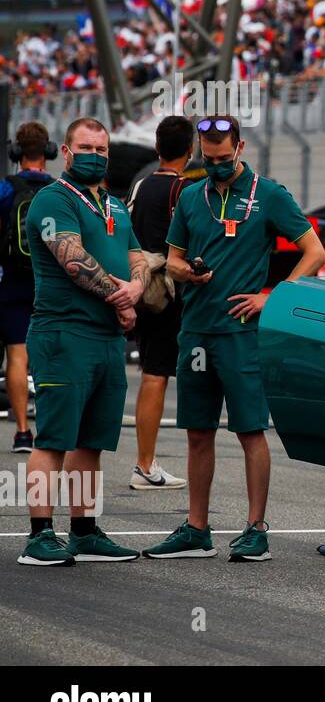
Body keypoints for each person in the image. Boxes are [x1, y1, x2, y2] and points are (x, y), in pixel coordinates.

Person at [144, 116, 325, 562]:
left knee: (249, 431)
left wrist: (273, 298)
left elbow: (315, 252)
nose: (218, 164)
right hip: (197, 331)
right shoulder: (189, 196)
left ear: (240, 147)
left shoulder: (270, 194)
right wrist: (189, 272)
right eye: (210, 156)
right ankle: (196, 529)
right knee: (197, 432)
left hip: (242, 334)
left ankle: (256, 529)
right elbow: (172, 261)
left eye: (225, 157)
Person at [19, 118, 149, 565]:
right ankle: (38, 535)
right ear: (67, 152)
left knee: (91, 442)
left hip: (107, 338)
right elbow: (72, 259)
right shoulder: (52, 200)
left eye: (101, 147)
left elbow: (139, 257)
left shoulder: (115, 204)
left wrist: (136, 287)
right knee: (53, 439)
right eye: (86, 147)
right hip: (63, 333)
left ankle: (84, 530)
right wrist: (123, 299)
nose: (95, 153)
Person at [125, 115, 194, 490]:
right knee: (157, 377)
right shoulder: (186, 191)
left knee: (153, 374)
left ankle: (144, 461)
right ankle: (145, 465)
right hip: (172, 291)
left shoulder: (140, 185)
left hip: (142, 287)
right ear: (190, 150)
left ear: (156, 148)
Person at [0, 121, 55, 453]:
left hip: (12, 281)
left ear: (16, 152)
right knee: (49, 355)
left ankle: (22, 432)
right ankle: (48, 425)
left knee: (17, 355)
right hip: (49, 280)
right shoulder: (59, 190)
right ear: (48, 152)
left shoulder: (6, 189)